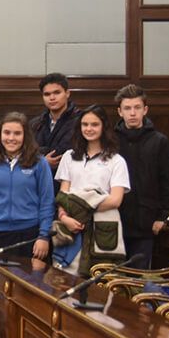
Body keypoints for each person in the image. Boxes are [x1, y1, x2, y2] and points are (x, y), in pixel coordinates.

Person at [54, 105, 130, 274]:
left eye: (94, 124)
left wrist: (79, 208)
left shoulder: (116, 161)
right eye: (85, 124)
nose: (89, 129)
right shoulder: (69, 156)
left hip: (103, 229)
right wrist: (63, 217)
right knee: (64, 279)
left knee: (100, 282)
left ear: (103, 127)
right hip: (71, 226)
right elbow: (62, 196)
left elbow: (115, 200)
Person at [0, 112, 55, 261]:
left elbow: (47, 202)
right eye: (7, 133)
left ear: (25, 136)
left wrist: (44, 236)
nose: (11, 138)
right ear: (0, 134)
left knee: (30, 283)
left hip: (29, 234)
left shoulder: (39, 162)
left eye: (17, 133)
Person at [114, 84, 169, 268]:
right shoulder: (110, 141)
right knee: (112, 281)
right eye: (127, 108)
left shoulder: (159, 141)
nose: (132, 113)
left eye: (137, 108)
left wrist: (165, 217)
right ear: (120, 111)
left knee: (139, 280)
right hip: (114, 223)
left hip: (147, 223)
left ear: (145, 110)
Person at [30, 73, 81, 179]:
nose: (52, 98)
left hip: (68, 181)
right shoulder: (35, 123)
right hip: (37, 181)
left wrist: (39, 155)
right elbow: (27, 152)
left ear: (67, 93)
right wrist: (43, 160)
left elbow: (62, 152)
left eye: (57, 93)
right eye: (47, 94)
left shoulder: (81, 121)